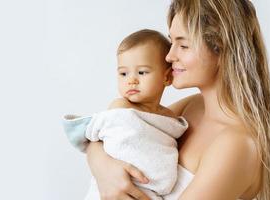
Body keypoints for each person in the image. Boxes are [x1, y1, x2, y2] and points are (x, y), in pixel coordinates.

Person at [85, 0, 270, 200]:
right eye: (172, 42)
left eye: (183, 45)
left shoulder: (237, 145)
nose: (169, 56)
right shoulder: (192, 107)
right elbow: (110, 130)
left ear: (221, 49)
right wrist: (104, 170)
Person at [63, 29, 189, 199]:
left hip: (149, 190)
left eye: (142, 72)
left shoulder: (170, 118)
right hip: (113, 186)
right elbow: (93, 135)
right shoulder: (120, 107)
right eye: (123, 73)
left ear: (166, 77)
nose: (131, 80)